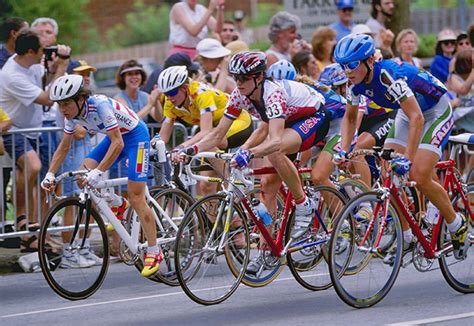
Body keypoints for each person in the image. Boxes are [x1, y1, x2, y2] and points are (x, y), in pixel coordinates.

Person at [334, 34, 469, 260]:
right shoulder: (353, 84)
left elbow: (418, 118)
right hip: (406, 113)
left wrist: (407, 157)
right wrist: (343, 148)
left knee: (418, 173)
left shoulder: (389, 76)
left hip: (435, 111)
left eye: (352, 65)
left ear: (368, 62)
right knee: (389, 173)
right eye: (343, 66)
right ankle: (406, 238)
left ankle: (456, 224)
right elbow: (349, 119)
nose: (347, 71)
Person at [42, 75, 163, 277]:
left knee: (136, 197)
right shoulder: (71, 116)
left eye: (66, 104)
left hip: (135, 137)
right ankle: (118, 203)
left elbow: (119, 143)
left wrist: (99, 172)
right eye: (59, 104)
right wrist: (50, 174)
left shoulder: (99, 105)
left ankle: (154, 250)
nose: (62, 109)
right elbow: (64, 146)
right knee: (82, 174)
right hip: (115, 139)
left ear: (81, 99)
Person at [0, 29, 70, 252]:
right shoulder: (12, 74)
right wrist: (62, 67)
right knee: (33, 165)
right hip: (16, 129)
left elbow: (45, 82)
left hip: (34, 130)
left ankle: (36, 227)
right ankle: (22, 217)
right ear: (30, 51)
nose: (44, 53)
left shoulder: (31, 64)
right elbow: (49, 99)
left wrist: (51, 70)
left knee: (46, 180)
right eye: (41, 49)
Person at [156, 65, 253, 193]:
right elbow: (163, 136)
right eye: (166, 94)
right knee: (206, 186)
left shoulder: (200, 93)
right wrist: (148, 149)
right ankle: (215, 211)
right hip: (215, 130)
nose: (169, 98)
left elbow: (206, 132)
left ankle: (233, 186)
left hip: (238, 120)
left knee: (210, 142)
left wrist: (181, 148)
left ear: (185, 88)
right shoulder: (170, 103)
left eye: (172, 93)